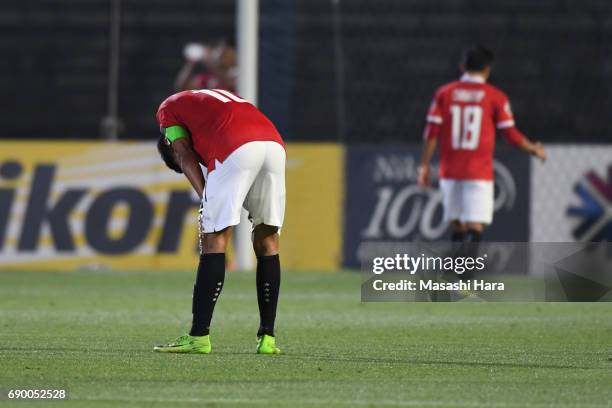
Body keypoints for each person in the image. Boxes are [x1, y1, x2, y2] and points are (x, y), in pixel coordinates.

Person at [153, 88, 285, 354]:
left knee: (214, 238)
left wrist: (205, 196)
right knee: (268, 240)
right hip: (274, 145)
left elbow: (183, 153)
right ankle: (268, 338)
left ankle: (199, 336)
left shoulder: (167, 111)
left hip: (236, 145)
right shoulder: (205, 99)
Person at [418, 45, 547, 242]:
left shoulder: (444, 94)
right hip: (478, 172)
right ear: (487, 70)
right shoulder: (495, 97)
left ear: (462, 67)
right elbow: (510, 134)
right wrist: (533, 148)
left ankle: (458, 270)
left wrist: (425, 166)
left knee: (457, 224)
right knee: (475, 225)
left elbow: (431, 133)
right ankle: (466, 272)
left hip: (450, 170)